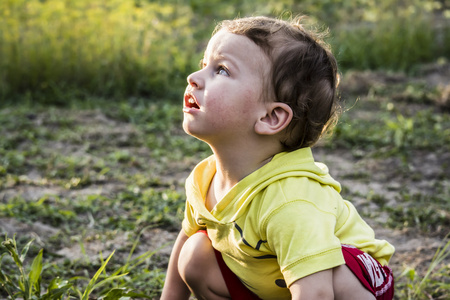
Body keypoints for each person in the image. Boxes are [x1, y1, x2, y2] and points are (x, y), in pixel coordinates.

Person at [160, 15, 395, 300]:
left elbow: (316, 294)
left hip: (352, 280)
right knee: (194, 254)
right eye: (203, 65)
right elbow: (184, 242)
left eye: (221, 70)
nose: (193, 79)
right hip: (275, 281)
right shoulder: (204, 179)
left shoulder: (290, 200)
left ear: (271, 117)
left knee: (336, 271)